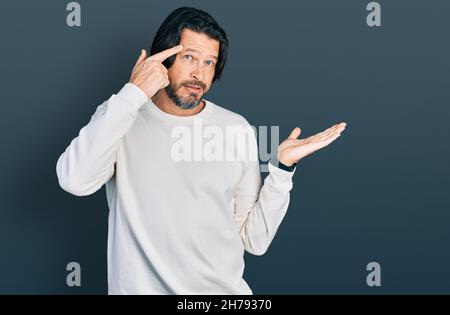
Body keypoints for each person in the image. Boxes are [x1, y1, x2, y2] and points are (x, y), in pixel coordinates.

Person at [56, 7, 347, 295]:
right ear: (163, 58)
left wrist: (282, 170)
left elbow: (254, 240)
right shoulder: (120, 116)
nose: (199, 73)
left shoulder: (236, 128)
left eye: (209, 62)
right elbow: (74, 181)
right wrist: (132, 93)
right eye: (189, 57)